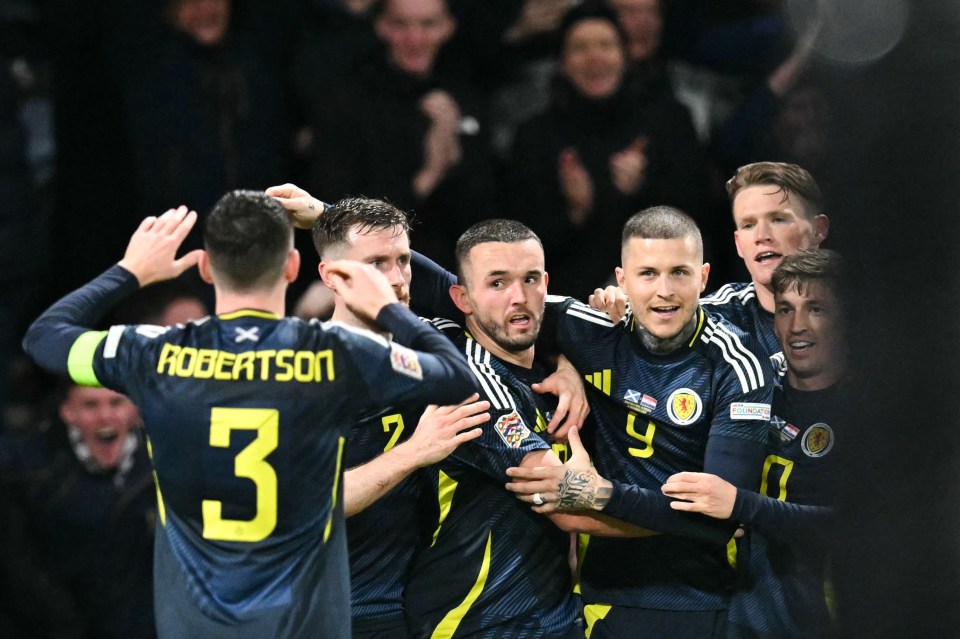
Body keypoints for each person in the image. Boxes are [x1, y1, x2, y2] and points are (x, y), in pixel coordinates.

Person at [21, 191, 479, 638]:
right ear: (294, 267)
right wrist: (385, 307)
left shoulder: (154, 354)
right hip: (307, 622)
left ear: (204, 267)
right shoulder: (333, 355)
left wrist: (130, 272)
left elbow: (44, 337)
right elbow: (456, 377)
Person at [497, 206, 774, 638]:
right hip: (601, 597)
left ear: (703, 277)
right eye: (647, 274)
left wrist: (601, 494)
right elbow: (477, 298)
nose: (664, 291)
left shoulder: (739, 365)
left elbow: (716, 518)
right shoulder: (592, 332)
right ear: (621, 280)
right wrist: (566, 363)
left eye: (679, 273)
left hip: (701, 603)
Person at [305, 193, 490, 638]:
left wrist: (565, 366)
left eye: (403, 260)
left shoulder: (422, 353)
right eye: (377, 264)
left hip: (414, 606)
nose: (398, 278)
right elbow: (307, 505)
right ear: (332, 276)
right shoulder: (306, 366)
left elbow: (500, 309)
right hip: (336, 609)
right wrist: (414, 452)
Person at [661, 248, 845, 638]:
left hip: (818, 622)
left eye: (816, 309)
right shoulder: (752, 381)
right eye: (785, 309)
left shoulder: (872, 412)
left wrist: (740, 505)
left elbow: (851, 523)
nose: (797, 326)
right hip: (732, 613)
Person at [507, 1, 708, 297]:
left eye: (606, 45)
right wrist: (575, 213)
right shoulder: (534, 136)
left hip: (660, 293)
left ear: (624, 55)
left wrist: (643, 188)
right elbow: (518, 248)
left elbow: (698, 217)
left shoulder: (669, 121)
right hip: (569, 301)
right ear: (562, 62)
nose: (595, 58)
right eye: (580, 48)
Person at [305, 0, 496, 269]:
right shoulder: (348, 100)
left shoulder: (466, 97)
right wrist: (429, 174)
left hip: (453, 271)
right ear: (381, 26)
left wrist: (454, 150)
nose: (414, 39)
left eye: (428, 25)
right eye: (401, 25)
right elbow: (337, 210)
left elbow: (485, 206)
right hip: (372, 270)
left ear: (449, 28)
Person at [0, 382, 157, 638]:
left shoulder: (167, 468)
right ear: (67, 411)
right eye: (90, 405)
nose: (105, 416)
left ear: (135, 409)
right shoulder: (27, 472)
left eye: (115, 403)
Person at [701, 161, 829, 369]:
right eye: (749, 225)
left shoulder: (861, 313)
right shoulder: (709, 323)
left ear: (818, 229)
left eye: (778, 219)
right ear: (738, 244)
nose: (761, 236)